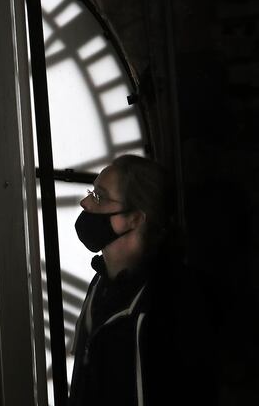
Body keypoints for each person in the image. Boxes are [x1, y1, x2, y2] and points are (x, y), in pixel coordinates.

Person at [68, 154, 213, 406]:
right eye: (91, 192)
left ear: (135, 218)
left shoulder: (174, 300)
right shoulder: (101, 284)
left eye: (99, 197)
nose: (85, 202)